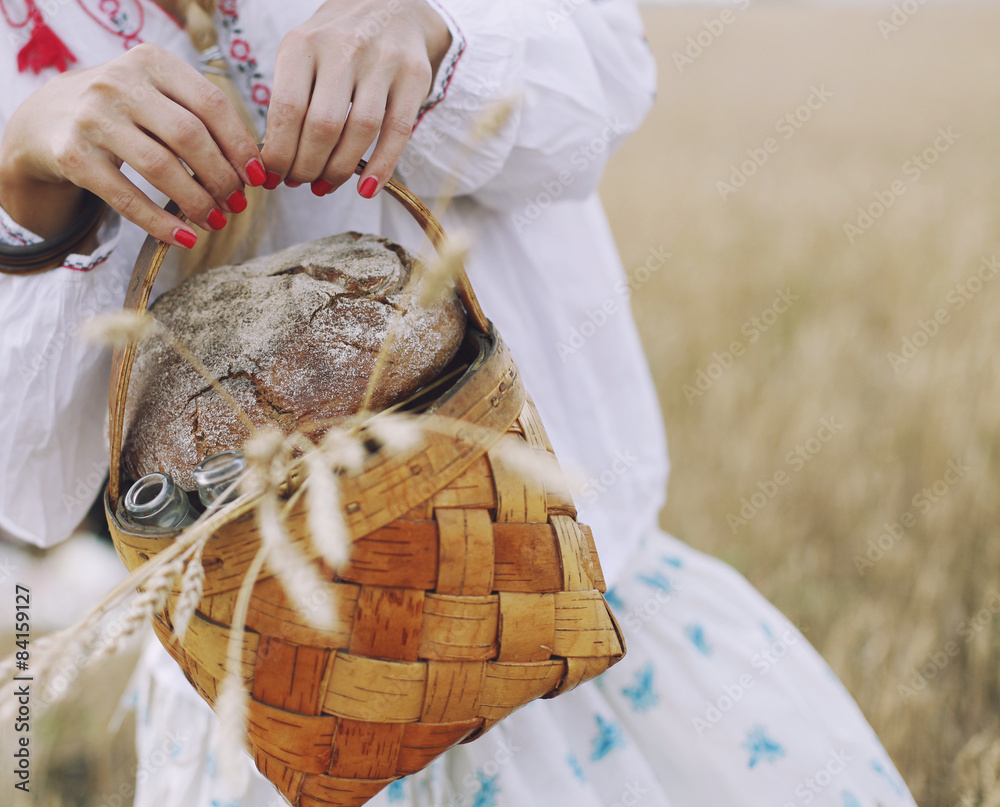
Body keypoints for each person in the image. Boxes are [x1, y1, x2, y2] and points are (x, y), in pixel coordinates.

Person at [0, 1, 919, 805]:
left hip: (558, 602)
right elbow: (30, 486)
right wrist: (23, 187)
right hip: (285, 696)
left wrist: (438, 30)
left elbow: (612, 68)